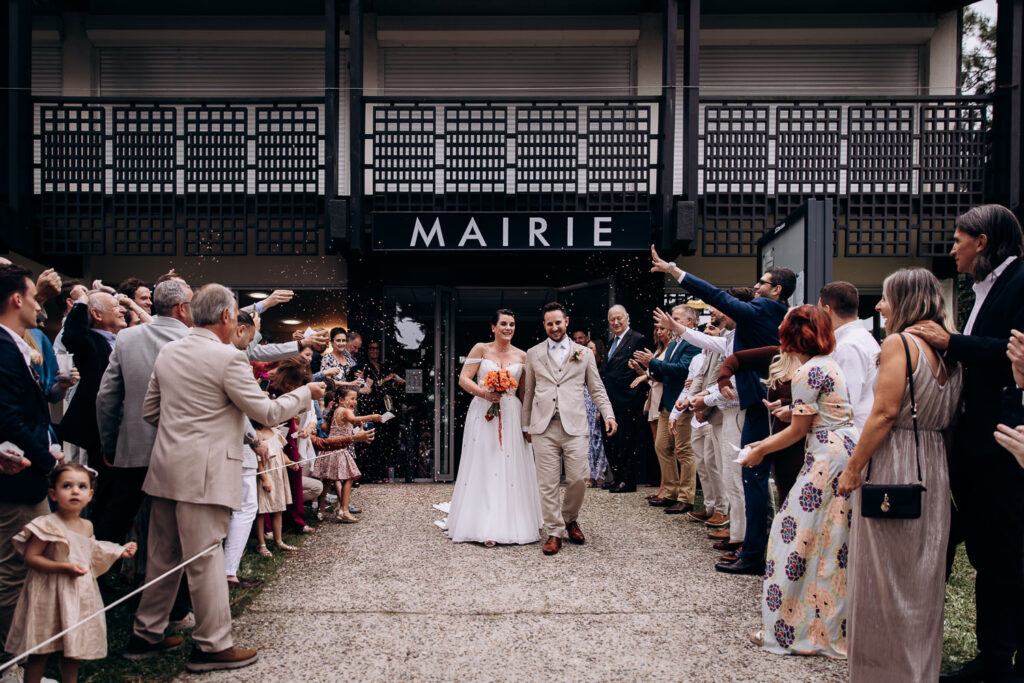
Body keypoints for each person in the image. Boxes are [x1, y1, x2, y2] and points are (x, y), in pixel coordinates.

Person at [125, 284, 324, 672]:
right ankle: (212, 645)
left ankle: (145, 635)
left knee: (162, 557)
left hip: (165, 469)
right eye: (234, 314)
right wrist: (306, 394)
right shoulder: (228, 358)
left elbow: (150, 412)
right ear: (225, 316)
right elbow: (267, 413)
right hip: (206, 474)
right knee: (206, 559)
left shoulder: (170, 351)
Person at [904, 204, 1024, 682]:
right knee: (988, 555)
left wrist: (951, 343)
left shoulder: (1019, 282)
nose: (952, 250)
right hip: (979, 445)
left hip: (1005, 443)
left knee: (1004, 555)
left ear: (983, 242)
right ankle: (994, 655)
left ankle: (1001, 660)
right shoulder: (984, 288)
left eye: (958, 241)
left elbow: (1014, 353)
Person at [835, 268, 963, 682]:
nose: (879, 306)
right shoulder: (949, 350)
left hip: (894, 461)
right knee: (921, 578)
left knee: (882, 576)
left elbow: (885, 413)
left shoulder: (899, 343)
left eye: (885, 298)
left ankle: (881, 673)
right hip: (933, 466)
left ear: (904, 301)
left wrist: (854, 468)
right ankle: (917, 671)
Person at [652, 246, 793, 575]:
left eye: (762, 282)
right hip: (759, 401)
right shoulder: (769, 315)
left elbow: (716, 297)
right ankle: (755, 546)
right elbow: (724, 348)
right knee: (754, 478)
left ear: (776, 290)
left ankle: (754, 552)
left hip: (758, 403)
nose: (756, 287)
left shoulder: (763, 309)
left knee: (752, 478)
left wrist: (674, 271)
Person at [739, 305, 856, 658]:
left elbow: (797, 431)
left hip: (826, 459)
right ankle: (822, 629)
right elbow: (820, 411)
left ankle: (791, 630)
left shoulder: (806, 371)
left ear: (792, 336)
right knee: (830, 545)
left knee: (791, 538)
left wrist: (759, 449)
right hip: (841, 451)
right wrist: (791, 411)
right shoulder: (827, 365)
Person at [5, 464, 137, 683]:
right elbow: (31, 557)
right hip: (48, 594)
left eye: (81, 487)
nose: (75, 491)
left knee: (72, 650)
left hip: (75, 595)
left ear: (90, 495)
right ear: (53, 494)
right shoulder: (47, 525)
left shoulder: (87, 526)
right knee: (40, 650)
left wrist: (119, 550)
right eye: (67, 486)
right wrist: (64, 567)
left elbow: (91, 551)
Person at [93, 279, 193, 546]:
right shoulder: (195, 341)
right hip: (182, 452)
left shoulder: (126, 337)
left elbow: (107, 397)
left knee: (116, 521)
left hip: (133, 447)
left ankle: (98, 569)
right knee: (179, 528)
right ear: (181, 308)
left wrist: (111, 444)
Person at [440, 309, 544, 546]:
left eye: (512, 324)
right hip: (483, 411)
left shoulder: (523, 355)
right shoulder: (481, 349)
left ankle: (511, 521)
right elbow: (463, 379)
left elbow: (525, 392)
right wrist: (485, 393)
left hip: (511, 412)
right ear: (493, 327)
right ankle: (483, 523)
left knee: (510, 464)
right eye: (504, 324)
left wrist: (527, 424)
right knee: (485, 462)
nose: (508, 328)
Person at [0, 265, 61, 655]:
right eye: (35, 298)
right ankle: (12, 660)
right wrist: (47, 460)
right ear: (16, 299)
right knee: (15, 567)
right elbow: (8, 416)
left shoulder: (15, 342)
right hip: (17, 473)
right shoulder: (4, 347)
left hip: (26, 467)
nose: (39, 306)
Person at [522, 303, 616, 555]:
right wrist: (525, 424)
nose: (554, 327)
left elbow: (596, 387)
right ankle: (555, 532)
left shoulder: (583, 353)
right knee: (547, 483)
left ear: (566, 322)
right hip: (543, 426)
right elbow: (529, 391)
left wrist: (608, 414)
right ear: (544, 325)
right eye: (549, 323)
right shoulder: (533, 353)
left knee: (578, 479)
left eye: (558, 322)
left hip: (575, 425)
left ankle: (569, 518)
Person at [636, 304, 701, 513]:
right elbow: (665, 374)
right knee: (662, 446)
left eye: (676, 319)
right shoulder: (673, 344)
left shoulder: (694, 342)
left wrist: (653, 362)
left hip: (683, 404)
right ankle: (671, 492)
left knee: (683, 450)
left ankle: (686, 497)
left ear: (689, 321)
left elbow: (682, 370)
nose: (671, 322)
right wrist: (649, 367)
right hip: (667, 404)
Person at [57, 289, 127, 470]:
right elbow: (72, 334)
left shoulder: (123, 340)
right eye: (115, 306)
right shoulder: (89, 341)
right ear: (97, 314)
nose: (123, 310)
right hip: (99, 430)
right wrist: (81, 300)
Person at [600, 305, 650, 493]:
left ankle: (627, 480)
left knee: (626, 443)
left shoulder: (637, 339)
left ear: (627, 318)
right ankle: (617, 477)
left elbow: (644, 368)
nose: (616, 322)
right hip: (611, 401)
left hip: (628, 400)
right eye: (612, 319)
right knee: (612, 442)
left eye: (619, 318)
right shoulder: (611, 342)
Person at [818, 282, 879, 432]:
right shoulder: (860, 338)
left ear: (827, 310)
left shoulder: (848, 346)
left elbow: (843, 402)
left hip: (851, 434)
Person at [313, 388, 377, 525]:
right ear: (341, 399)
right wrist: (372, 417)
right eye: (351, 398)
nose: (355, 401)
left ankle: (320, 510)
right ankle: (344, 510)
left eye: (356, 399)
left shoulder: (335, 411)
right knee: (350, 477)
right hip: (339, 450)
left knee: (327, 481)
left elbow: (324, 428)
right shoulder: (346, 411)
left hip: (329, 448)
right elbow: (354, 420)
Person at [571, 328, 607, 486]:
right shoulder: (578, 360)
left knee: (599, 442)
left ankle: (600, 474)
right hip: (583, 405)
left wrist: (601, 410)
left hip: (596, 406)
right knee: (586, 442)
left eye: (592, 349)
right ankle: (588, 475)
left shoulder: (603, 369)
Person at [254, 422, 294, 556]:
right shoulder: (258, 434)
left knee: (278, 508)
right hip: (267, 474)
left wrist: (289, 462)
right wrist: (264, 479)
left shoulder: (275, 432)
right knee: (262, 510)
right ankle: (261, 545)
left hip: (278, 474)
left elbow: (281, 453)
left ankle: (278, 541)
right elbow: (259, 461)